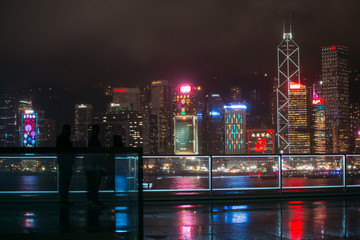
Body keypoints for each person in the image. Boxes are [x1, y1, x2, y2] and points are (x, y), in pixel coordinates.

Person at [84, 124, 103, 208]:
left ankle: (92, 200)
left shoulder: (92, 140)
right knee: (94, 183)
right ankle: (93, 200)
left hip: (93, 164)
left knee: (93, 183)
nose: (98, 132)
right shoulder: (94, 140)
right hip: (94, 165)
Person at [56, 124, 75, 206]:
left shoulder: (60, 138)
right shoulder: (65, 140)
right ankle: (64, 200)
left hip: (63, 163)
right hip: (66, 163)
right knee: (65, 183)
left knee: (63, 182)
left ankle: (63, 200)